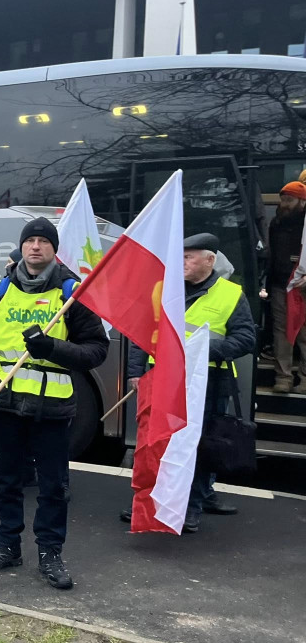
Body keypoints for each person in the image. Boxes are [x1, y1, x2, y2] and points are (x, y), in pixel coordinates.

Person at [0, 217, 108, 590]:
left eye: (44, 241)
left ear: (53, 249)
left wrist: (53, 348)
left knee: (52, 487)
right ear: (22, 246)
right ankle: (7, 545)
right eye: (31, 240)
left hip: (53, 410)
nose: (36, 247)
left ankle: (50, 553)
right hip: (7, 406)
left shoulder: (72, 294)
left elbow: (96, 351)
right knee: (7, 482)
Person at [122, 233, 255, 531]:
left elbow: (246, 339)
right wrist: (136, 372)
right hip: (163, 380)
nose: (181, 262)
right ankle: (151, 503)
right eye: (180, 256)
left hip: (207, 382)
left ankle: (191, 505)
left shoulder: (231, 294)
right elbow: (142, 334)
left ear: (210, 260)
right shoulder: (164, 290)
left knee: (197, 446)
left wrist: (200, 348)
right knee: (158, 444)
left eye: (189, 257)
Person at [264, 182, 306, 393]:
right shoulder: (276, 223)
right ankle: (284, 377)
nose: (284, 204)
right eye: (283, 199)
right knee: (281, 332)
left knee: (303, 332)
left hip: (303, 284)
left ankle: (305, 379)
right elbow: (271, 254)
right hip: (280, 284)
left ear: (302, 200)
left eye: (289, 199)